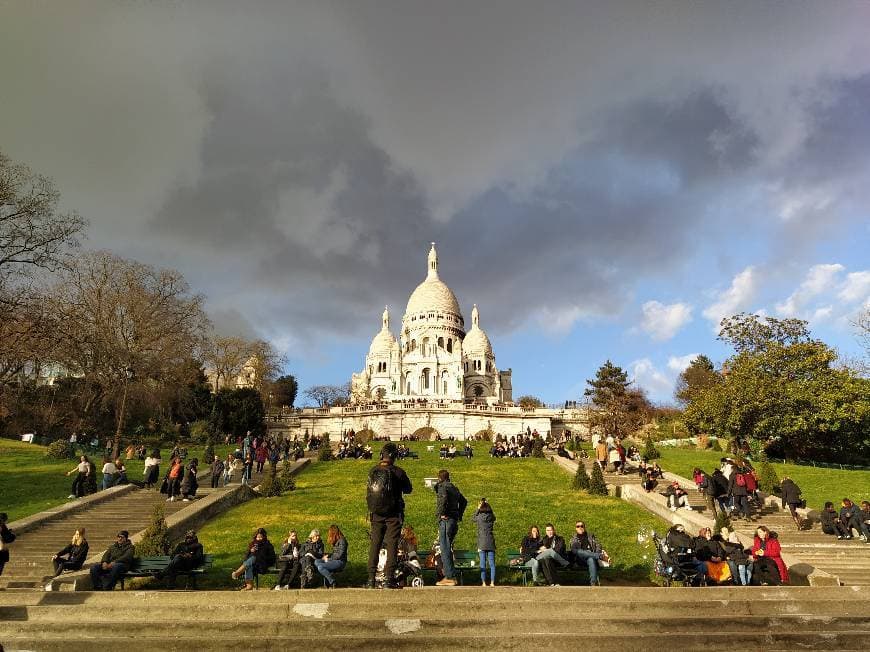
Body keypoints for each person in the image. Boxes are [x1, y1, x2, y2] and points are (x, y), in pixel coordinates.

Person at [366, 443, 413, 589]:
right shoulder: (398, 472)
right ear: (394, 457)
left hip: (376, 513)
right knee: (392, 544)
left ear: (381, 455)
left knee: (375, 544)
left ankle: (371, 579)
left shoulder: (373, 470)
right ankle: (388, 578)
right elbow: (409, 489)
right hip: (393, 513)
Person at [434, 469, 467, 586]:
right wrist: (459, 515)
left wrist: (441, 514)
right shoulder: (454, 488)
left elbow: (442, 500)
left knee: (445, 548)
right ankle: (451, 575)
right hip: (453, 520)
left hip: (446, 520)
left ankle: (449, 577)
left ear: (439, 478)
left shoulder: (442, 486)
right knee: (447, 547)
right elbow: (464, 501)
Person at [568, 521, 610, 586]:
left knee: (591, 559)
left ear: (584, 527)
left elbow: (598, 545)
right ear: (576, 528)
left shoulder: (591, 536)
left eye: (582, 526)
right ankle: (601, 556)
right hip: (580, 559)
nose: (580, 527)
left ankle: (593, 583)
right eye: (578, 526)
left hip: (592, 558)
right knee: (578, 551)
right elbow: (573, 549)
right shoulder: (574, 538)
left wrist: (596, 552)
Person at [472, 498, 496, 586]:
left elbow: (473, 518)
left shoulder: (479, 518)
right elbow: (494, 516)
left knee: (483, 564)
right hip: (490, 542)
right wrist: (488, 505)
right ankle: (492, 582)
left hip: (481, 542)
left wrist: (478, 508)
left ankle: (484, 583)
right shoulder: (491, 517)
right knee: (492, 564)